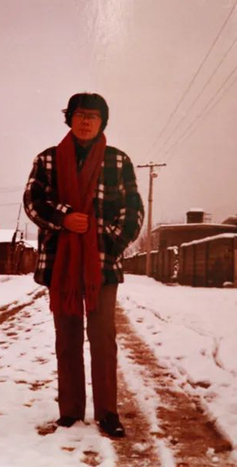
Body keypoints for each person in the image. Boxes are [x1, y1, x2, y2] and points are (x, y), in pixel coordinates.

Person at [23, 93, 144, 438]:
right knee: (67, 339)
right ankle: (71, 411)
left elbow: (133, 211)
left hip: (101, 265)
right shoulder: (47, 159)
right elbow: (32, 201)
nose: (86, 121)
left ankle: (107, 412)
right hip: (60, 263)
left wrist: (106, 242)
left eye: (93, 116)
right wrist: (64, 218)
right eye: (80, 114)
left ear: (102, 122)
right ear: (69, 118)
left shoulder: (118, 161)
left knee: (103, 338)